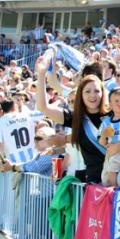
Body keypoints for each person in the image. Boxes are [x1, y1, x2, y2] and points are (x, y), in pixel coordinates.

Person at [35, 54, 110, 183]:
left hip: (113, 181)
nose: (92, 95)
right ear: (80, 94)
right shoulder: (76, 117)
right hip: (92, 182)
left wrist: (64, 139)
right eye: (87, 91)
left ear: (103, 93)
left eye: (96, 91)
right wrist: (41, 74)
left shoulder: (113, 113)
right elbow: (43, 107)